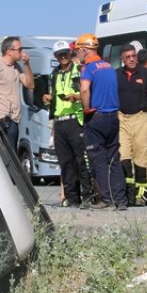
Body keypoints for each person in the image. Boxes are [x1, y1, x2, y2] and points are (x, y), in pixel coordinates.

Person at [77, 33, 129, 210]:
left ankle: (106, 198)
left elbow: (85, 90)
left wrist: (86, 108)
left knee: (98, 159)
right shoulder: (108, 66)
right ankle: (121, 200)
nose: (78, 55)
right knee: (114, 157)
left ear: (84, 50)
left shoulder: (89, 68)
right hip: (113, 116)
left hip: (96, 116)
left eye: (78, 51)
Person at [42, 40, 93, 209]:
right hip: (59, 121)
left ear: (70, 54)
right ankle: (72, 198)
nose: (63, 57)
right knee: (65, 162)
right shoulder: (54, 74)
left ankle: (87, 196)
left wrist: (76, 97)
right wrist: (48, 98)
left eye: (66, 53)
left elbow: (88, 93)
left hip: (75, 118)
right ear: (55, 56)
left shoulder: (79, 70)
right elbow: (53, 95)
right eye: (59, 54)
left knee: (80, 159)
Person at [117, 44, 147, 205]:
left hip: (141, 117)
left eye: (133, 56)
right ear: (122, 59)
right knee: (123, 155)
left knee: (141, 156)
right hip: (121, 118)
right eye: (128, 57)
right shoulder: (117, 74)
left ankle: (141, 194)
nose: (131, 59)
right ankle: (127, 192)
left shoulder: (146, 73)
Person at [0, 36, 35, 153]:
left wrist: (26, 64)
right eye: (19, 49)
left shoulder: (17, 67)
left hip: (14, 120)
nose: (22, 52)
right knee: (3, 155)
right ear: (9, 51)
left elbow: (30, 85)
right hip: (1, 119)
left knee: (12, 155)